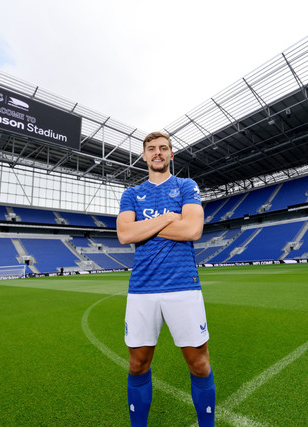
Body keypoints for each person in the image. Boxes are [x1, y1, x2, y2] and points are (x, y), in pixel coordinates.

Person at [117, 131, 215, 426]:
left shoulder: (186, 186)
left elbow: (192, 230)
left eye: (163, 148)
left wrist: (144, 227)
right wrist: (169, 217)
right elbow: (125, 234)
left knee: (199, 364)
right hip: (142, 289)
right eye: (151, 149)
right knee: (138, 364)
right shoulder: (131, 194)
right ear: (144, 156)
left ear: (171, 154)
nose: (157, 152)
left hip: (183, 286)